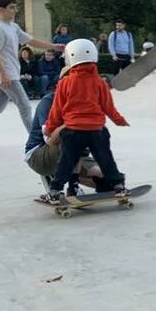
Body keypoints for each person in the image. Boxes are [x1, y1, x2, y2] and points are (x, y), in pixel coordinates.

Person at [0, 0, 64, 149]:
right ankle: (37, 141)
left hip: (9, 74)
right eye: (11, 7)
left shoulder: (13, 27)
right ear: (1, 9)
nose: (15, 10)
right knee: (25, 106)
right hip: (7, 76)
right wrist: (3, 74)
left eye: (15, 7)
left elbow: (30, 41)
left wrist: (54, 46)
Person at [41, 39, 129, 203]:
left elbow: (57, 109)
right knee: (105, 159)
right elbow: (108, 107)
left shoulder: (65, 82)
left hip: (73, 131)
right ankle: (118, 186)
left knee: (66, 161)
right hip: (97, 130)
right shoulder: (100, 82)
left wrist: (50, 128)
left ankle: (55, 191)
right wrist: (119, 120)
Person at [24, 65, 112, 195]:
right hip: (39, 155)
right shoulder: (48, 102)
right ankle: (71, 186)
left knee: (105, 176)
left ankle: (99, 184)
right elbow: (50, 139)